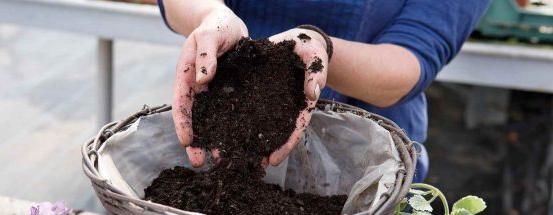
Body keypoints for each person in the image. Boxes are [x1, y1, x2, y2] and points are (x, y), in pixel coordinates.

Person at [157, 0, 491, 182]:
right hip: (220, 132)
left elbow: (407, 64)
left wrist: (320, 49)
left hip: (363, 171)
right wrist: (210, 14)